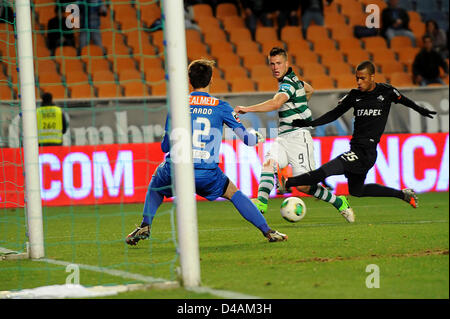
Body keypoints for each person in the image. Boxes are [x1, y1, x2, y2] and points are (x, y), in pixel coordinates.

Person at [126, 59, 288, 246]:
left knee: (156, 183)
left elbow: (165, 147)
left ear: (189, 80)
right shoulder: (221, 107)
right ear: (211, 80)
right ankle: (268, 231)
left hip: (176, 169)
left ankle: (146, 224)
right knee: (233, 193)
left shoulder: (178, 104)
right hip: (206, 173)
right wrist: (256, 137)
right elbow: (247, 140)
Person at [283, 60, 437, 208]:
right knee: (356, 191)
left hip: (366, 153)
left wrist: (421, 110)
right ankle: (403, 195)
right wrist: (309, 123)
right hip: (357, 150)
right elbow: (333, 114)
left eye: (362, 78)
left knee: (323, 172)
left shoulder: (387, 91)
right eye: (357, 78)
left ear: (372, 77)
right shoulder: (354, 95)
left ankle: (286, 182)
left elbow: (404, 100)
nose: (359, 82)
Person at [234, 47, 355, 223]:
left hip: (299, 138)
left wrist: (247, 108)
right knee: (269, 163)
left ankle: (339, 201)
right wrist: (300, 107)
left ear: (287, 63)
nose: (275, 67)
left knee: (305, 186)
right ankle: (261, 203)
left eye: (279, 63)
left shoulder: (288, 84)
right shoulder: (295, 81)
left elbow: (276, 103)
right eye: (272, 64)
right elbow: (310, 90)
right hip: (283, 136)